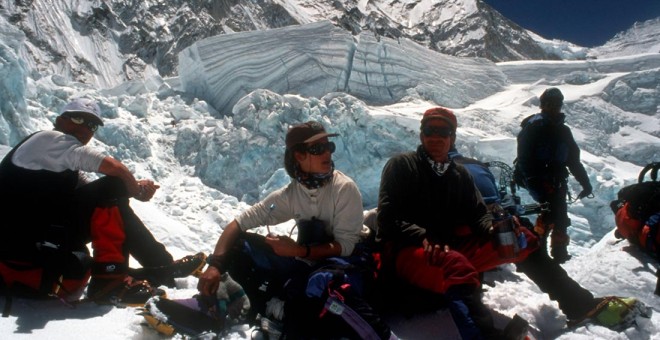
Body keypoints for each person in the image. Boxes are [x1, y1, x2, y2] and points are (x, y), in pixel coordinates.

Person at [0, 98, 205, 306]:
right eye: (78, 118)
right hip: (20, 242)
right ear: (60, 120)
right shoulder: (49, 139)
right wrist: (134, 189)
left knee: (111, 195)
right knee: (113, 185)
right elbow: (114, 168)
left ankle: (159, 267)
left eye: (92, 125)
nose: (85, 129)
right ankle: (111, 282)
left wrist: (128, 188)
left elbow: (92, 191)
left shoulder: (58, 158)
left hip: (33, 238)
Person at [197, 121, 392, 338]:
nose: (327, 153)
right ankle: (240, 304)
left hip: (348, 264)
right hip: (306, 261)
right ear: (299, 156)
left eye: (329, 147)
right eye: (318, 149)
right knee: (239, 244)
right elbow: (238, 224)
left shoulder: (344, 189)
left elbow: (346, 247)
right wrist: (215, 265)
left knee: (321, 283)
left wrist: (297, 252)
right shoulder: (292, 194)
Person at [375, 107, 538, 339]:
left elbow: (478, 214)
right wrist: (423, 235)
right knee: (455, 264)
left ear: (452, 138)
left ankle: (573, 301)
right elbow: (387, 219)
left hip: (448, 249)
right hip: (408, 251)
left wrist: (493, 228)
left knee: (522, 239)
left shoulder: (459, 175)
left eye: (444, 132)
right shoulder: (402, 165)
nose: (436, 138)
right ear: (422, 135)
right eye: (430, 130)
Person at [515, 87, 593, 263]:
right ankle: (538, 252)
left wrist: (585, 183)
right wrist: (534, 182)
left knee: (559, 215)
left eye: (557, 103)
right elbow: (524, 158)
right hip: (539, 178)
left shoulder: (563, 131)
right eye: (550, 103)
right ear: (543, 105)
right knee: (551, 213)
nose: (554, 107)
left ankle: (555, 252)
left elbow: (573, 160)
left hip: (555, 179)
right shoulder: (535, 126)